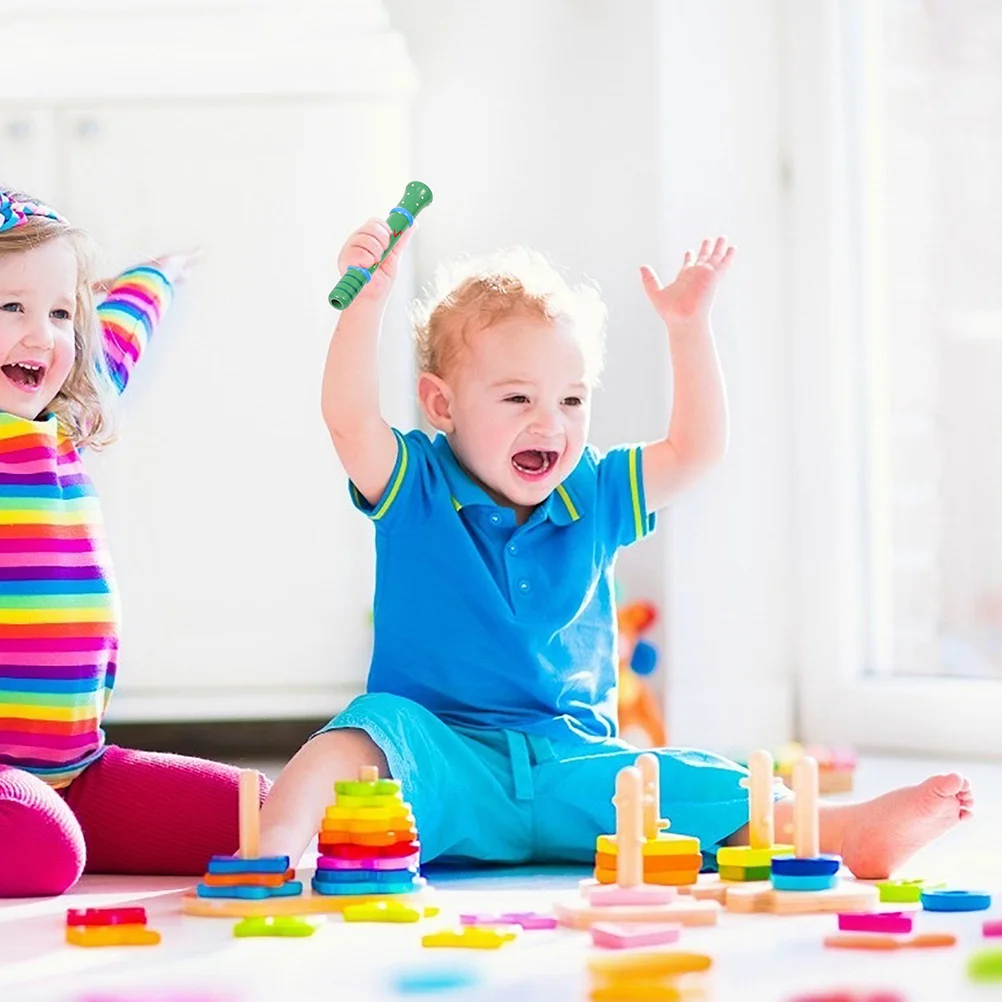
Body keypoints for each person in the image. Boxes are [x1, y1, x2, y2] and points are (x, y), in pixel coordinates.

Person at [259, 215, 972, 879]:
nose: (551, 423)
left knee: (699, 783)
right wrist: (366, 303)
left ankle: (845, 835)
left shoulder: (595, 489)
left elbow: (695, 451)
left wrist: (689, 330)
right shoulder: (415, 484)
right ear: (443, 406)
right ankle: (271, 857)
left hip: (578, 763)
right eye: (517, 400)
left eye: (572, 400)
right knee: (354, 740)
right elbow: (349, 420)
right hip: (443, 762)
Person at [0, 186, 269, 898]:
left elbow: (119, 331)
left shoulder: (71, 419)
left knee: (261, 820)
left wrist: (158, 274)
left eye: (60, 313)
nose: (42, 336)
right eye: (11, 309)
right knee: (46, 851)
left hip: (77, 770)